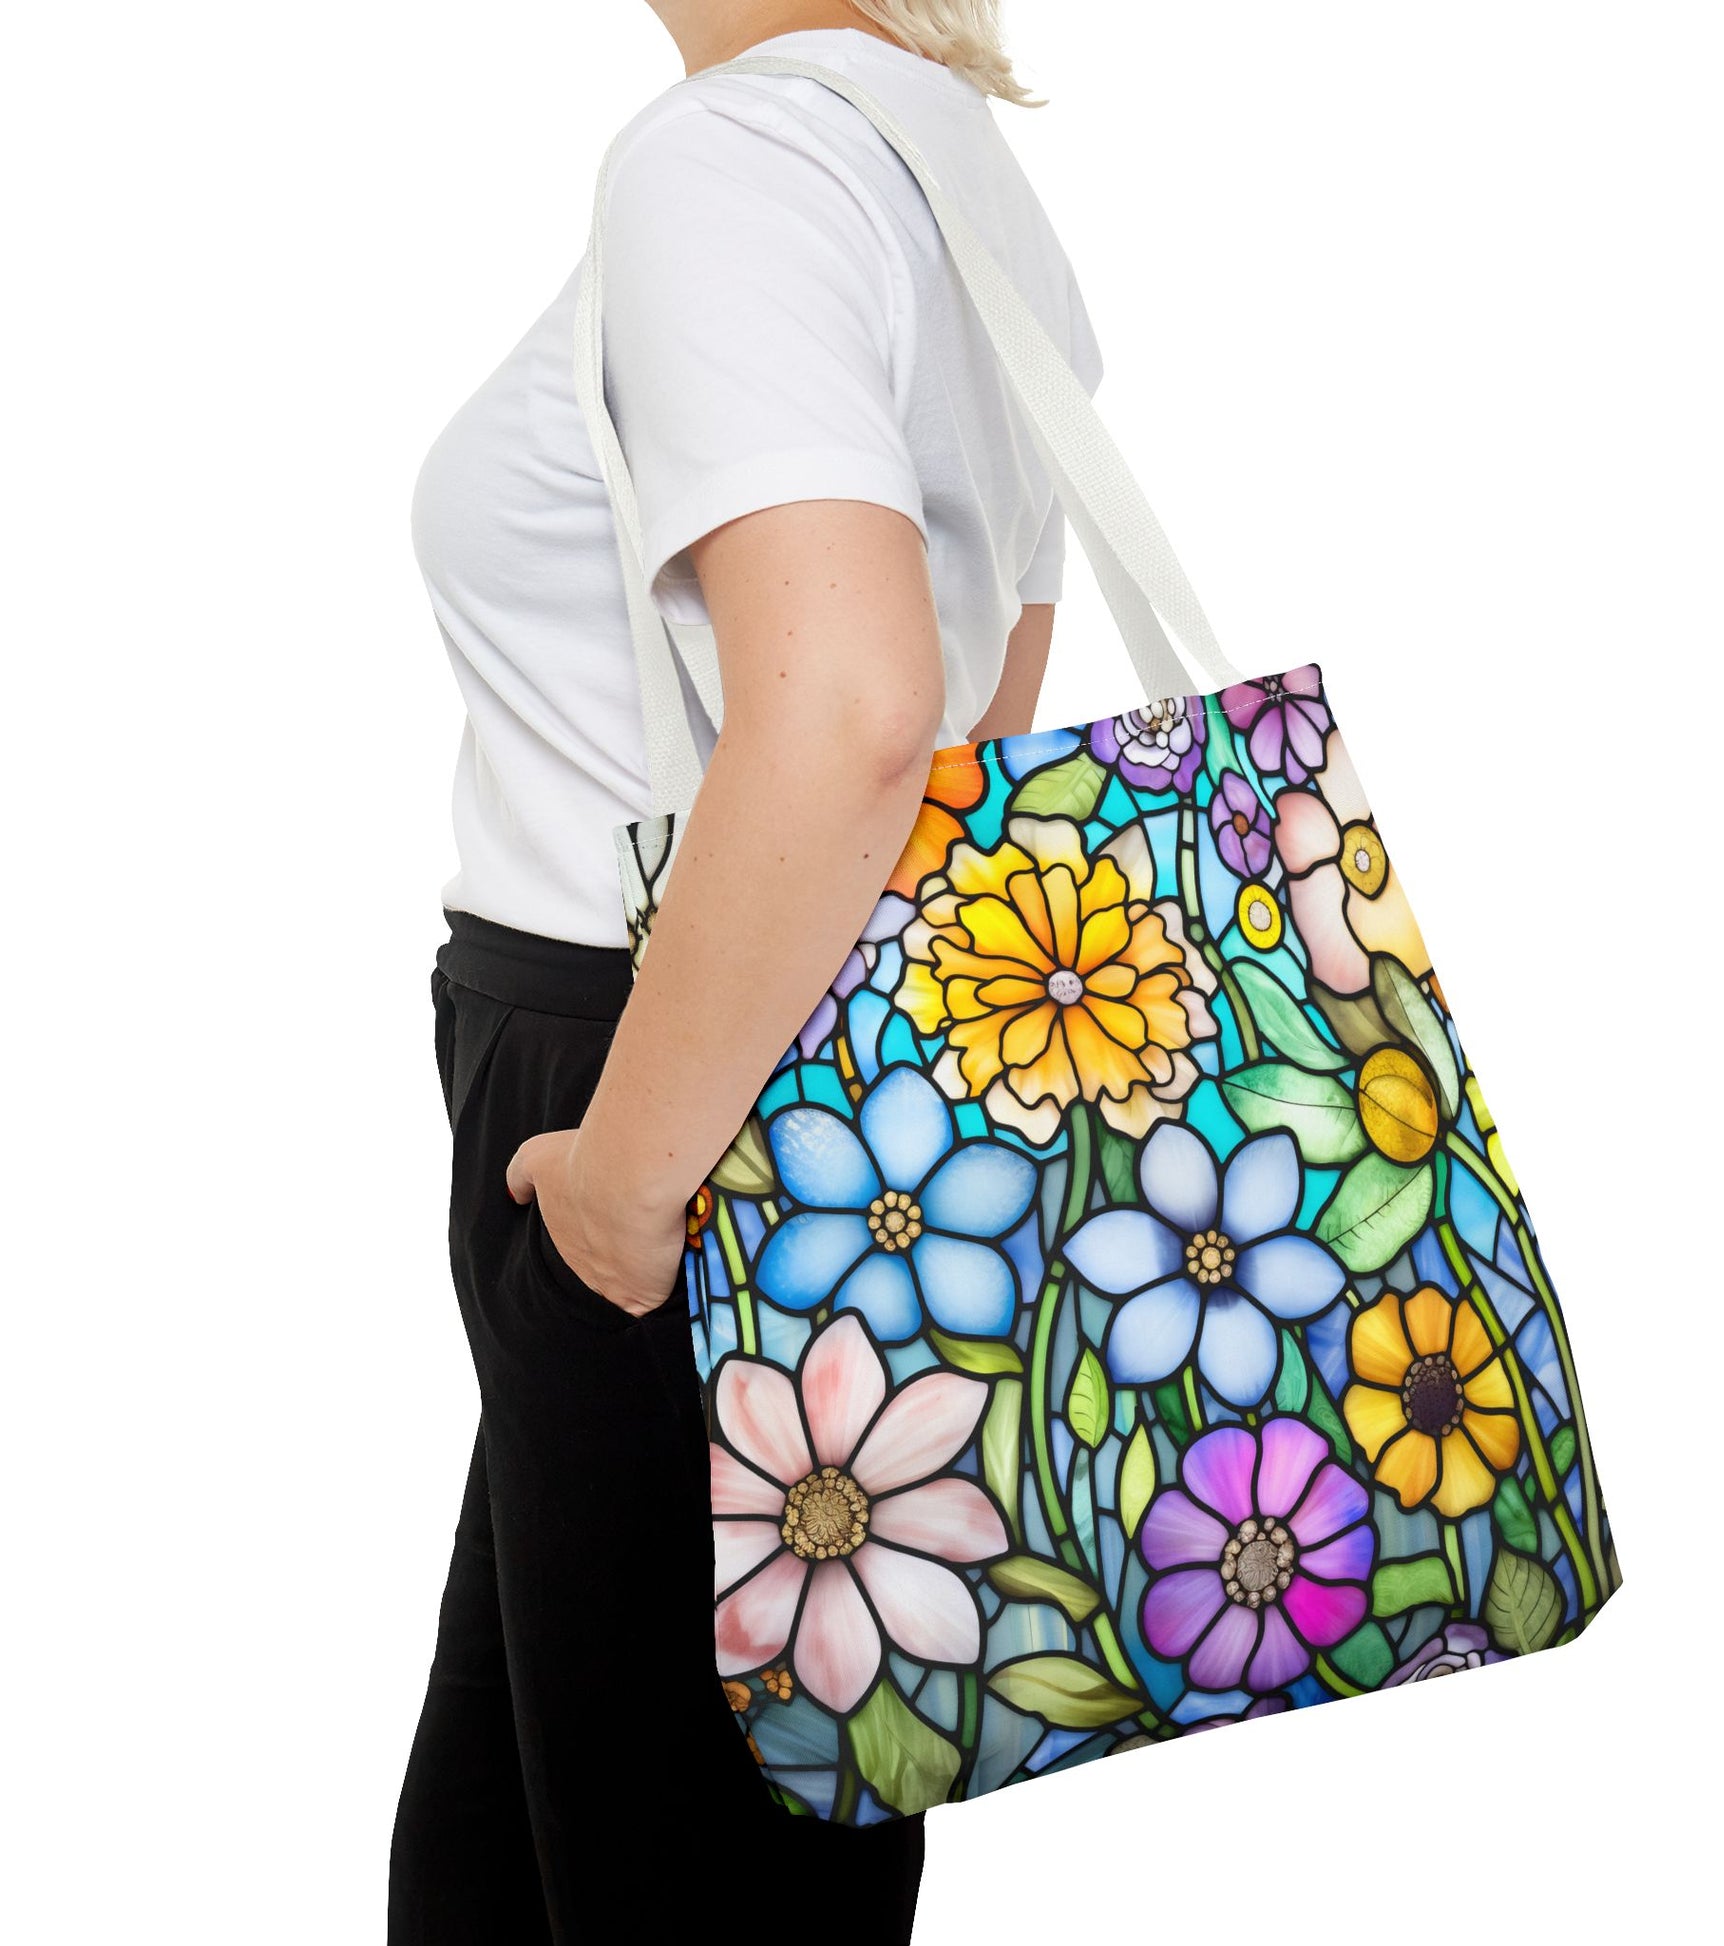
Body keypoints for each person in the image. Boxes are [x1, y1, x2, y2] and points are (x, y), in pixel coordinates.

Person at [390, 5, 1098, 1940]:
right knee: (547, 1859)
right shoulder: (947, 170)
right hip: (800, 1067)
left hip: (656, 1098)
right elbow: (978, 725)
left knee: (655, 1882)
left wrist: (621, 1195)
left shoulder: (730, 168)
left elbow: (864, 712)